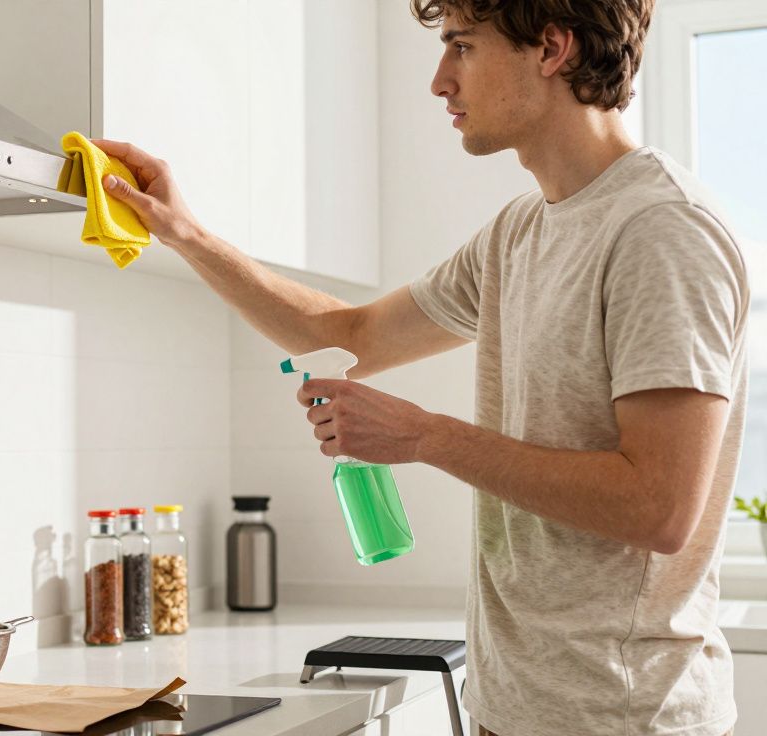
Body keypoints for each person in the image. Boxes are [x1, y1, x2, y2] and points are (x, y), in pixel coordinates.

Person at [95, 1, 747, 735]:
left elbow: (658, 508)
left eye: (461, 47)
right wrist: (187, 234)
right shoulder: (519, 232)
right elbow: (349, 334)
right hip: (513, 709)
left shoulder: (661, 230)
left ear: (552, 48)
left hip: (625, 720)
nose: (440, 81)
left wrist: (424, 437)